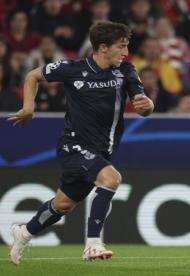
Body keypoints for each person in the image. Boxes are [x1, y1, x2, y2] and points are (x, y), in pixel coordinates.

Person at [7, 21, 154, 265]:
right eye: (122, 47)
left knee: (62, 205)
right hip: (72, 146)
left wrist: (147, 106)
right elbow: (33, 76)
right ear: (103, 47)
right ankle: (93, 244)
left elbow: (142, 103)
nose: (126, 52)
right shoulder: (71, 68)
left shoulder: (126, 71)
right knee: (111, 178)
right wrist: (28, 107)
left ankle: (23, 233)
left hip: (101, 151)